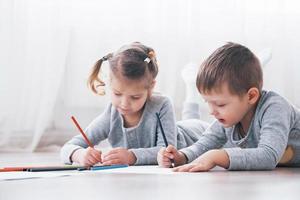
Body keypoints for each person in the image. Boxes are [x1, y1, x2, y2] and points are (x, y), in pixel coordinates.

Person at [157, 42, 300, 171]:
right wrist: (181, 156)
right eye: (208, 102)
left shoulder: (275, 108)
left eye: (220, 104)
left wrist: (217, 156)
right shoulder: (230, 117)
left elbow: (268, 155)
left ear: (251, 96)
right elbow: (204, 144)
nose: (212, 112)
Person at [60, 42, 208, 166]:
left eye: (135, 97)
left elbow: (167, 150)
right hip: (181, 127)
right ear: (109, 85)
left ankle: (191, 89)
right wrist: (79, 155)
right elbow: (68, 147)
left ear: (151, 87)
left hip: (194, 134)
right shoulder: (111, 114)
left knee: (191, 120)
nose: (124, 104)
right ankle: (190, 88)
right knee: (188, 118)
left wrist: (131, 156)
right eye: (117, 94)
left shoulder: (162, 104)